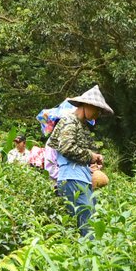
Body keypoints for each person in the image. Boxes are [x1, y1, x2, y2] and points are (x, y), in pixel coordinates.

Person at [46, 85, 113, 237]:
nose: (97, 114)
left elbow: (84, 151)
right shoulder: (70, 121)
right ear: (87, 105)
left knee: (90, 219)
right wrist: (91, 156)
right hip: (72, 178)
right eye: (97, 110)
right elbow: (67, 147)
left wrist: (95, 159)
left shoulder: (81, 125)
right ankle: (90, 258)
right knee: (87, 225)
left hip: (81, 178)